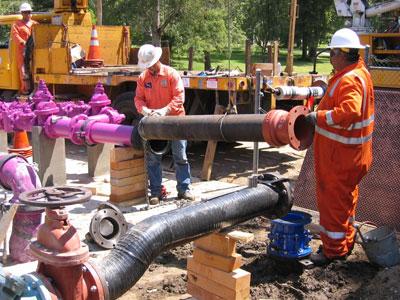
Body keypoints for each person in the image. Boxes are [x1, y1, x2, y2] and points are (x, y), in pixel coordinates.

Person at [305, 28, 375, 266]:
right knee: (346, 200)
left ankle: (333, 251)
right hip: (353, 156)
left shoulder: (349, 79)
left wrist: (319, 117)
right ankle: (346, 240)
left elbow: (350, 111)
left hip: (340, 158)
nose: (331, 58)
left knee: (333, 204)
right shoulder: (359, 72)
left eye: (332, 53)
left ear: (342, 54)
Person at [134, 44, 194, 205]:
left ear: (157, 60)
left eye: (151, 65)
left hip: (175, 121)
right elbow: (138, 99)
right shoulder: (143, 78)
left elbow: (179, 97)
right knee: (154, 158)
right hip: (155, 123)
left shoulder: (171, 74)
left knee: (180, 156)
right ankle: (155, 192)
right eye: (147, 66)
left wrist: (164, 111)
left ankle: (184, 189)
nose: (150, 68)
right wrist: (145, 110)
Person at [11, 2, 38, 95]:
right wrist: (24, 42)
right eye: (25, 12)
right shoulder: (16, 24)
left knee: (35, 70)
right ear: (22, 13)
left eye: (29, 12)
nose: (28, 14)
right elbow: (15, 36)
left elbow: (41, 33)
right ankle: (25, 91)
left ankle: (36, 90)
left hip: (34, 52)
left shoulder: (35, 24)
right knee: (23, 71)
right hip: (22, 51)